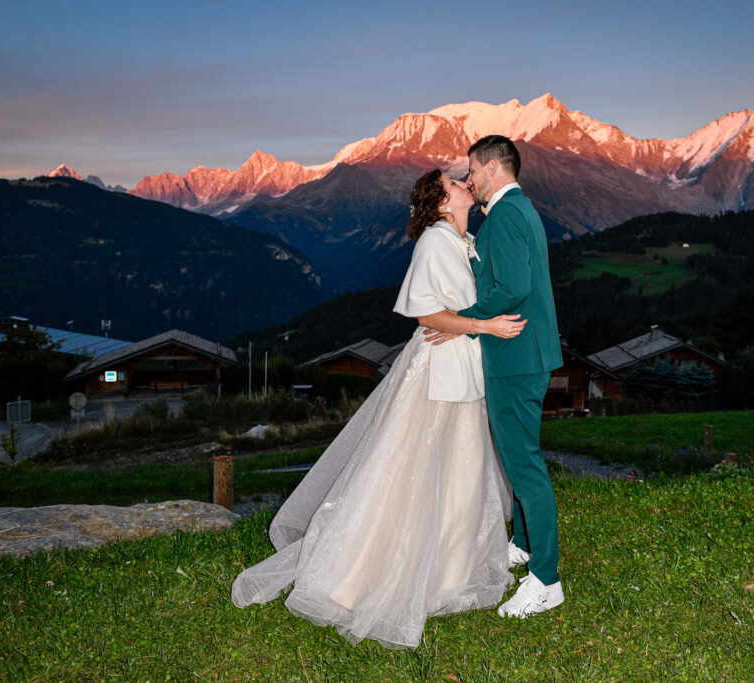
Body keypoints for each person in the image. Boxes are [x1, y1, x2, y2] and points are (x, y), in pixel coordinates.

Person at [231, 169, 526, 649]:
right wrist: (485, 327)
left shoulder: (462, 239)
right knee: (410, 466)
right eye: (454, 183)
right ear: (441, 202)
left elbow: (459, 307)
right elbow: (426, 314)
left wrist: (472, 323)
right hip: (435, 372)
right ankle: (361, 571)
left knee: (462, 468)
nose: (464, 183)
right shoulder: (433, 241)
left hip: (461, 366)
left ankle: (450, 571)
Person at [427, 135, 565, 618]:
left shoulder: (505, 214)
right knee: (519, 456)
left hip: (515, 356)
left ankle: (546, 581)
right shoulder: (521, 208)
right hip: (527, 353)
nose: (469, 179)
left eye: (472, 170)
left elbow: (512, 287)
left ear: (492, 167)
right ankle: (524, 546)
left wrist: (460, 320)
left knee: (523, 465)